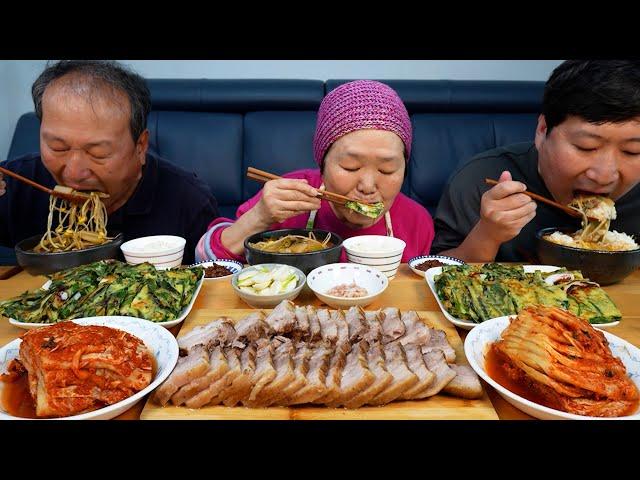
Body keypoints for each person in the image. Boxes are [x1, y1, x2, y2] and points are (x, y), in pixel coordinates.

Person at [0, 60, 219, 264]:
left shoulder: (188, 203)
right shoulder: (12, 186)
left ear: (140, 146)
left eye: (98, 153)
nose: (74, 172)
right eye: (58, 147)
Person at [196, 80, 434, 262]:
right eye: (350, 167)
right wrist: (259, 217)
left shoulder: (417, 222)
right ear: (322, 164)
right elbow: (205, 259)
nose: (368, 186)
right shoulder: (288, 196)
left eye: (387, 169)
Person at [432, 60, 640, 262]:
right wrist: (487, 234)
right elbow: (434, 271)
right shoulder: (477, 179)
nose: (604, 174)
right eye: (586, 147)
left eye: (632, 151)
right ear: (542, 130)